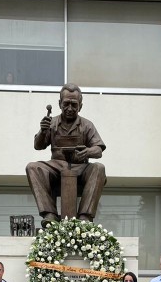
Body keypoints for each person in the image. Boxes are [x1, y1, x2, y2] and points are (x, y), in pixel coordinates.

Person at [26, 83, 107, 225]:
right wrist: (42, 131)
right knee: (32, 167)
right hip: (56, 166)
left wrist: (87, 152)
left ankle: (85, 217)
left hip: (80, 167)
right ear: (59, 104)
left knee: (99, 168)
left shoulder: (87, 125)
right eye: (66, 104)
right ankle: (50, 214)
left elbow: (98, 149)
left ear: (80, 106)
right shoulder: (51, 123)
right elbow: (38, 146)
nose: (70, 108)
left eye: (74, 105)